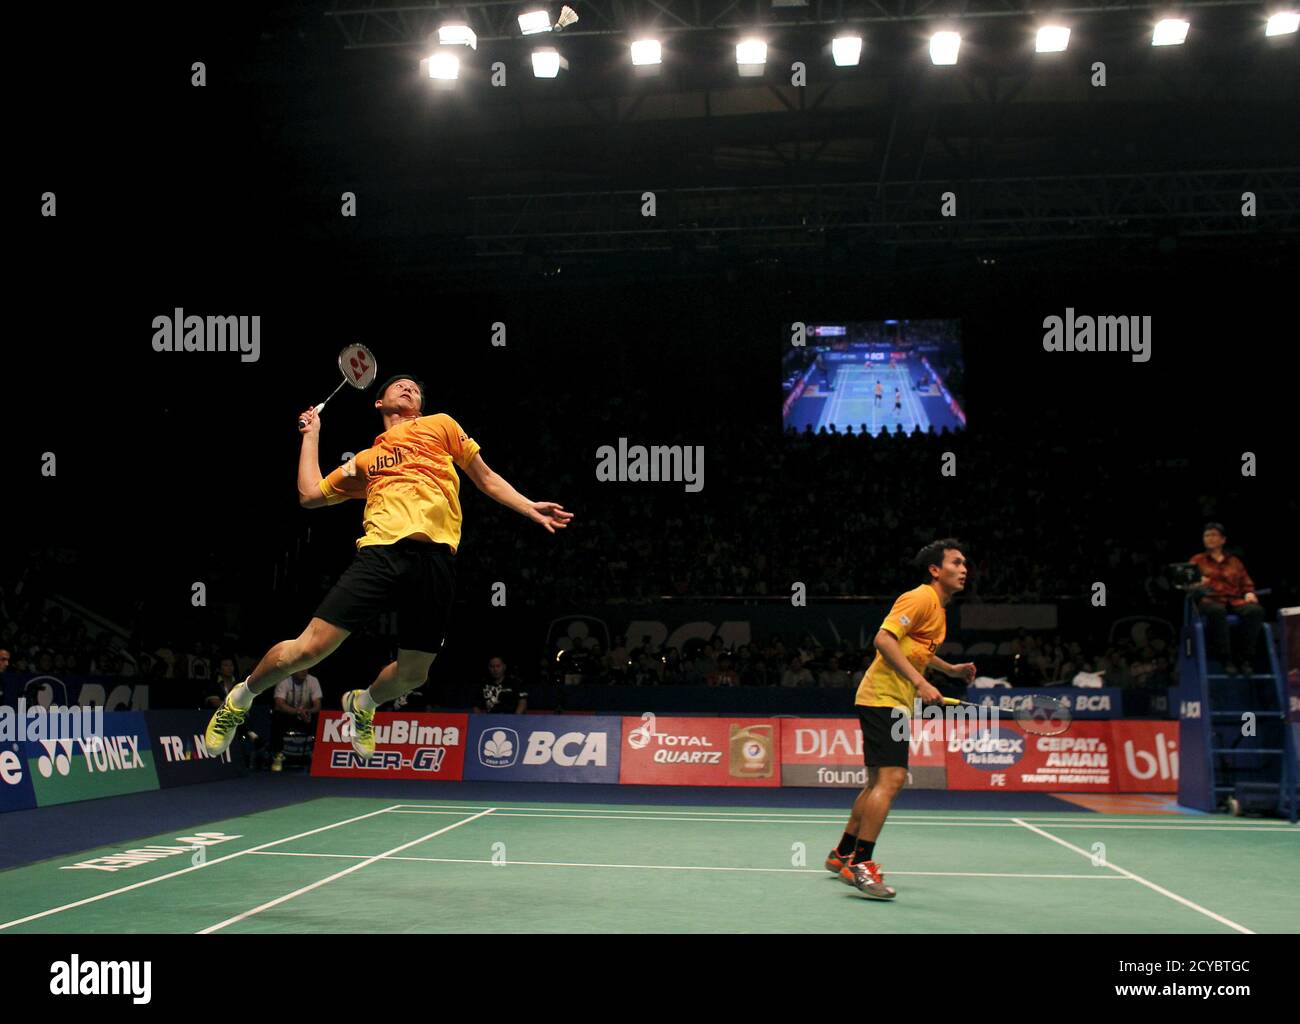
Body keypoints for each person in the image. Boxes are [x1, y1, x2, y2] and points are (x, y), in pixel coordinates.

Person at [204, 374, 573, 758]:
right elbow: (310, 495)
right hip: (381, 553)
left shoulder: (441, 425)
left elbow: (486, 478)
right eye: (400, 385)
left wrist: (528, 505)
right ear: (378, 403)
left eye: (416, 388)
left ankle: (364, 704)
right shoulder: (366, 461)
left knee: (414, 675)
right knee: (308, 651)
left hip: (436, 560)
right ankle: (240, 699)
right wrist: (311, 434)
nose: (410, 388)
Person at [828, 538, 976, 900]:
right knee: (892, 780)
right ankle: (861, 864)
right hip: (883, 699)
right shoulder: (920, 597)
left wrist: (950, 670)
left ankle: (842, 853)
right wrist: (921, 682)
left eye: (965, 563)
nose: (964, 569)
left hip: (891, 701)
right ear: (935, 570)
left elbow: (916, 649)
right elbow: (884, 639)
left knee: (877, 781)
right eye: (956, 563)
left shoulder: (938, 610)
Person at [1189, 522, 1264, 674]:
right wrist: (1197, 584)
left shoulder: (1234, 561)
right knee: (1217, 611)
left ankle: (1246, 659)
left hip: (1234, 600)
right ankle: (1225, 659)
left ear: (1223, 540)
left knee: (1255, 611)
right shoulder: (1197, 560)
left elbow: (1246, 583)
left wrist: (1249, 593)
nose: (1209, 538)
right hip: (1209, 600)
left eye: (1213, 535)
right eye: (1206, 535)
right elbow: (1188, 583)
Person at [271, 669, 323, 771]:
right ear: (293, 671)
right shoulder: (284, 681)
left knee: (320, 720)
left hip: (307, 714)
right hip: (288, 715)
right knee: (277, 718)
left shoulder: (313, 681)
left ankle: (315, 755)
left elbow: (317, 706)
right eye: (301, 670)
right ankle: (278, 755)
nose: (304, 672)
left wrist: (307, 712)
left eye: (306, 669)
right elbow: (279, 704)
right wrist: (298, 712)